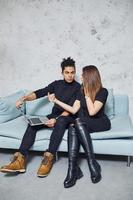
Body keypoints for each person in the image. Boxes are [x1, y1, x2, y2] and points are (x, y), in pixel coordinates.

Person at [0, 57, 81, 177]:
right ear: (62, 73)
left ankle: (49, 157)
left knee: (61, 121)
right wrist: (23, 99)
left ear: (75, 72)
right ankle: (20, 160)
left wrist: (56, 120)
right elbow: (39, 93)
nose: (70, 75)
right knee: (33, 123)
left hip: (68, 117)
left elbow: (70, 110)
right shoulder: (56, 84)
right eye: (67, 72)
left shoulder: (78, 87)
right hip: (54, 115)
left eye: (72, 72)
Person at [48, 65, 111, 188]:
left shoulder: (103, 91)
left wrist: (87, 95)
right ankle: (73, 169)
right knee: (73, 125)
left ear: (89, 77)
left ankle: (92, 163)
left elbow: (92, 112)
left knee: (76, 122)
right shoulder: (80, 91)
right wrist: (56, 100)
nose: (80, 76)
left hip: (100, 122)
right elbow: (73, 109)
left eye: (82, 75)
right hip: (82, 122)